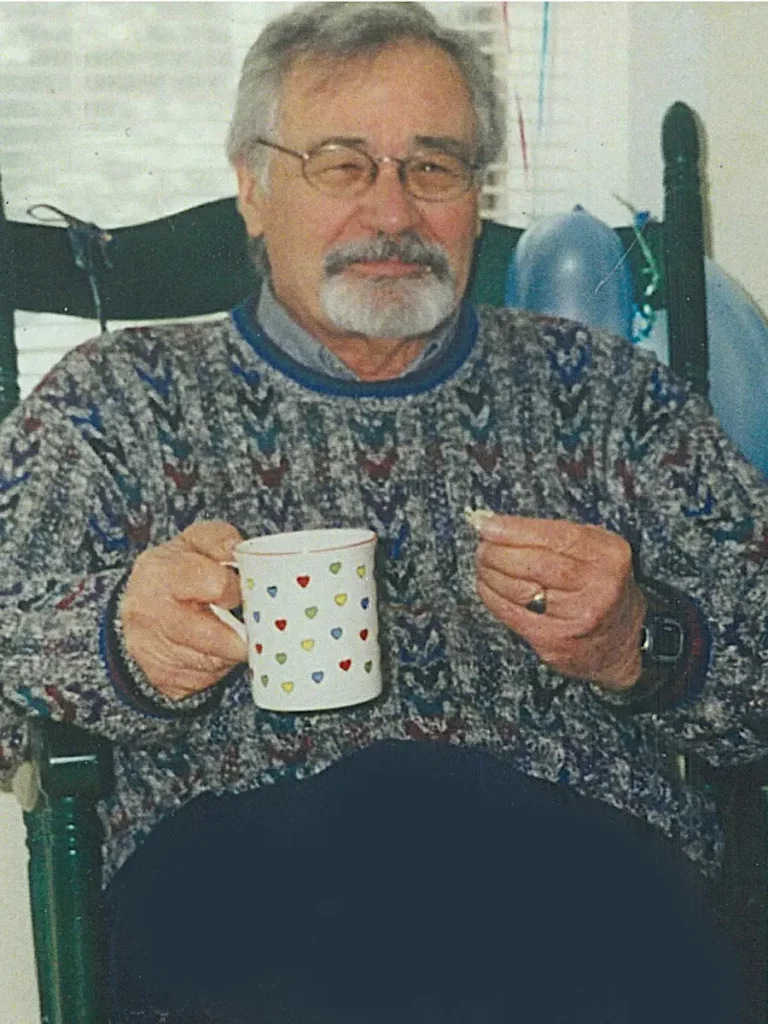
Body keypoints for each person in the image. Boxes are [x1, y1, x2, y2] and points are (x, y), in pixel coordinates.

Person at [0, 3, 765, 1021]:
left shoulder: (610, 394)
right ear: (252, 185)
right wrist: (113, 642)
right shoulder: (114, 405)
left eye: (434, 166)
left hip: (584, 883)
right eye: (343, 165)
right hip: (247, 897)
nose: (394, 212)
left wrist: (647, 638)